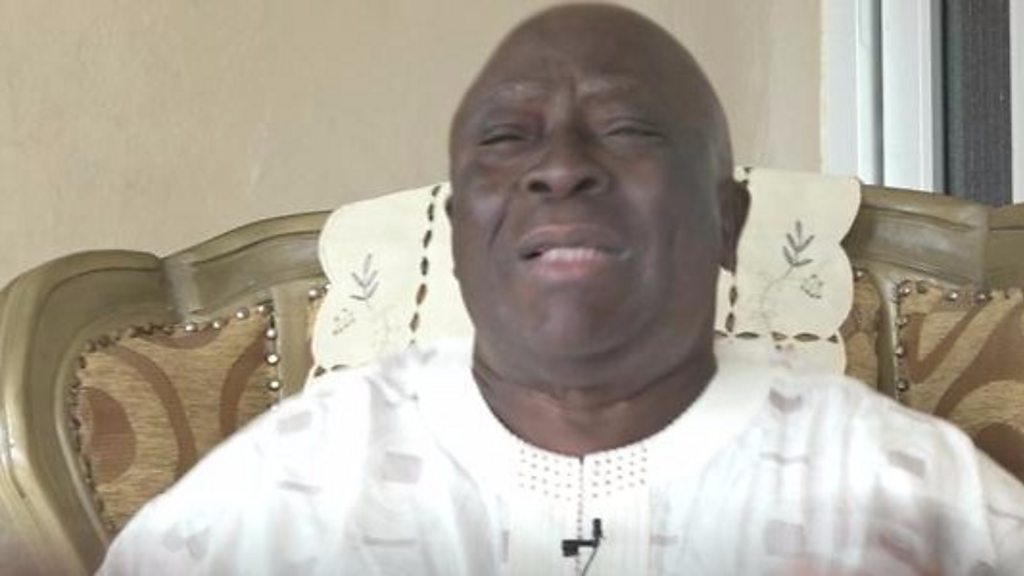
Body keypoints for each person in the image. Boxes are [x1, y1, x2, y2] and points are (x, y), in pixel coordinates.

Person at [99, 4, 1024, 575]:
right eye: (508, 139)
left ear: (727, 220)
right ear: (458, 231)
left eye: (626, 129)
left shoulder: (914, 496)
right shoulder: (277, 494)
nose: (561, 168)